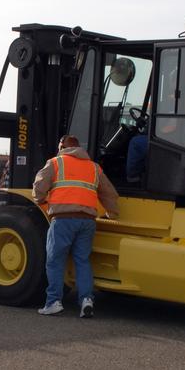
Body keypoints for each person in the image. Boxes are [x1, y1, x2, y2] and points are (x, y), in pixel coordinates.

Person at [32, 135, 120, 318]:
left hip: (63, 219)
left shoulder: (56, 163)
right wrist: (112, 213)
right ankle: (86, 300)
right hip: (87, 221)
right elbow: (109, 193)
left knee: (55, 261)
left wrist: (40, 199)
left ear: (62, 146)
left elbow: (39, 186)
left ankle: (53, 302)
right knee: (82, 261)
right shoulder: (94, 167)